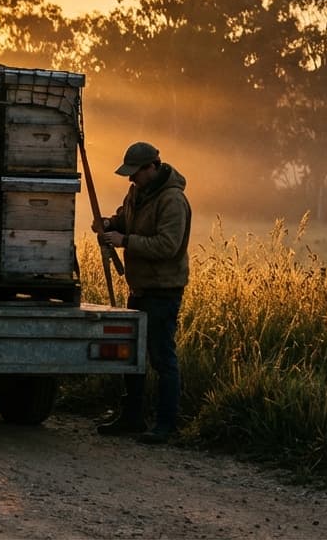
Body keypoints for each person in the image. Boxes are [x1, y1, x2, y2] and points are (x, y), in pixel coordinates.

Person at [93, 141, 191, 444]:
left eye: (135, 173)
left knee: (162, 358)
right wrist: (109, 223)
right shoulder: (137, 193)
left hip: (163, 290)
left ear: (152, 167)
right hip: (139, 288)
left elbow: (167, 246)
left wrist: (125, 242)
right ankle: (132, 417)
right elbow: (125, 219)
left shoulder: (173, 200)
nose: (130, 179)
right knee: (131, 355)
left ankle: (166, 423)